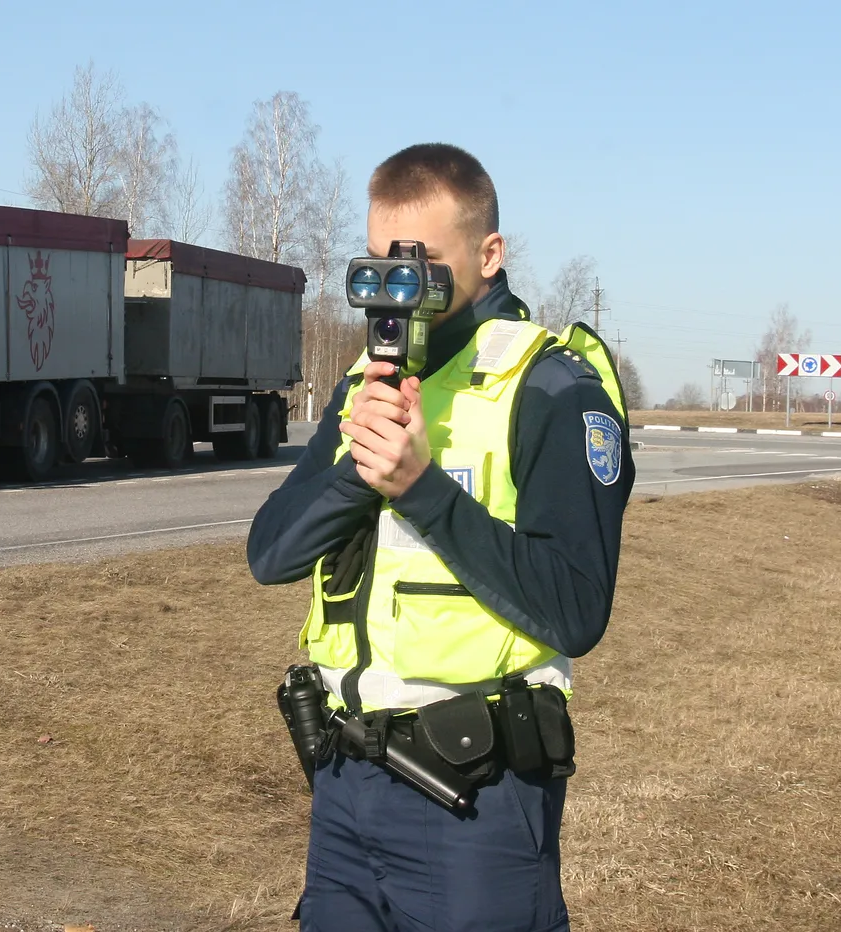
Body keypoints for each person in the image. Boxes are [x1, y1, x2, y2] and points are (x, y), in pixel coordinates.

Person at [247, 142, 635, 932]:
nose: (399, 286)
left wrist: (419, 489)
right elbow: (270, 554)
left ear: (489, 255)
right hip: (345, 788)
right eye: (381, 264)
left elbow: (576, 609)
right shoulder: (366, 381)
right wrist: (362, 471)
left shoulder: (552, 387)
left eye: (420, 261)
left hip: (476, 801)